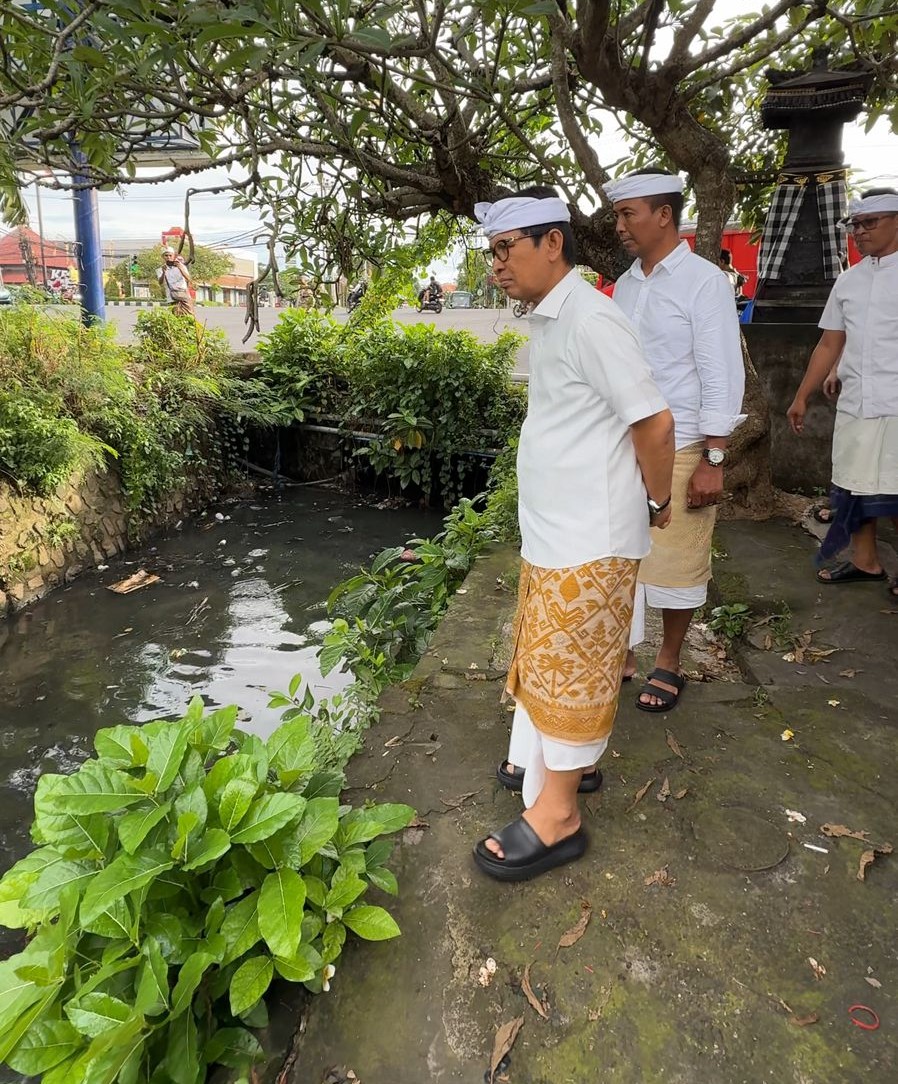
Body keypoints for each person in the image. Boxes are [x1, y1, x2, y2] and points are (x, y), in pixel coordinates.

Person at [472, 186, 675, 881]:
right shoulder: (553, 316)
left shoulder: (591, 318)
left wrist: (658, 498)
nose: (497, 264)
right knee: (548, 661)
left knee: (574, 668)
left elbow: (654, 422)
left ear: (552, 243)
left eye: (507, 248)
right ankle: (562, 771)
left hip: (590, 535)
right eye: (492, 251)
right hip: (558, 531)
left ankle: (558, 817)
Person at [604, 169, 745, 712]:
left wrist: (714, 457)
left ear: (664, 215)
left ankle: (669, 659)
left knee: (678, 558)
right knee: (623, 553)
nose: (620, 226)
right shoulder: (626, 284)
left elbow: (721, 372)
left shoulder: (704, 282)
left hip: (684, 441)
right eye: (617, 216)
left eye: (628, 214)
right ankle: (623, 653)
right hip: (625, 443)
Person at [786, 188, 898, 600]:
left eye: (871, 223)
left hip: (896, 402)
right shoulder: (849, 280)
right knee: (854, 486)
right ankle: (866, 561)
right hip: (857, 401)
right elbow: (830, 342)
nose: (860, 232)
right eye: (856, 225)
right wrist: (802, 395)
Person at [157, 246, 194, 316]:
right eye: (166, 255)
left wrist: (180, 268)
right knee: (176, 316)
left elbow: (188, 279)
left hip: (184, 295)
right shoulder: (160, 269)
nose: (168, 257)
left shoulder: (181, 266)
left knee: (189, 315)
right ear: (163, 257)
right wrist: (164, 272)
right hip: (172, 296)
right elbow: (160, 282)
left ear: (173, 256)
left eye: (170, 255)